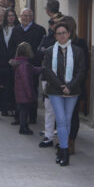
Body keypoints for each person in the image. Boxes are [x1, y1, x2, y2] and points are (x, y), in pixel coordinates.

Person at [43, 23, 86, 166]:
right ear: (55, 36)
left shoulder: (78, 51)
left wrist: (70, 86)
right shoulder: (50, 51)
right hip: (55, 91)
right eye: (58, 33)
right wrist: (61, 86)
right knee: (61, 120)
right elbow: (47, 71)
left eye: (64, 32)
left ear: (69, 34)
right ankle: (65, 152)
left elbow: (81, 71)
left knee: (67, 121)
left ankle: (62, 149)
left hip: (72, 92)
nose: (61, 35)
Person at [57, 15, 90, 155]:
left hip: (74, 85)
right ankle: (63, 141)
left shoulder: (80, 43)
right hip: (59, 85)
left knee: (72, 115)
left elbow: (84, 66)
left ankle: (70, 142)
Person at [0, 8, 24, 121]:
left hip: (13, 63)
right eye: (9, 16)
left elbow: (20, 45)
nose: (11, 18)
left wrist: (14, 55)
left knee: (13, 87)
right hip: (1, 63)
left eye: (13, 15)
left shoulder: (18, 29)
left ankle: (12, 109)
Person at [20, 8, 46, 124]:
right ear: (21, 17)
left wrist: (35, 61)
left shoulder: (40, 30)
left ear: (32, 17)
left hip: (33, 66)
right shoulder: (17, 30)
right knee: (20, 91)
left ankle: (32, 116)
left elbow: (41, 49)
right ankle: (19, 117)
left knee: (32, 90)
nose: (26, 18)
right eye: (24, 16)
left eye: (28, 15)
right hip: (19, 67)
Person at [11, 42, 43, 135]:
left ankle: (23, 126)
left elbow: (33, 69)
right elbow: (26, 81)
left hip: (20, 92)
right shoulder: (24, 64)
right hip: (25, 92)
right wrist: (30, 94)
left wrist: (43, 69)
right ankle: (23, 127)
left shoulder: (20, 63)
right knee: (24, 111)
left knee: (22, 110)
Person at [37, 18, 59, 148]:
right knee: (49, 108)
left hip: (63, 82)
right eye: (51, 23)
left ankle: (62, 140)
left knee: (62, 112)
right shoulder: (47, 39)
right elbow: (40, 54)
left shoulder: (72, 46)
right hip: (48, 79)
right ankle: (48, 136)